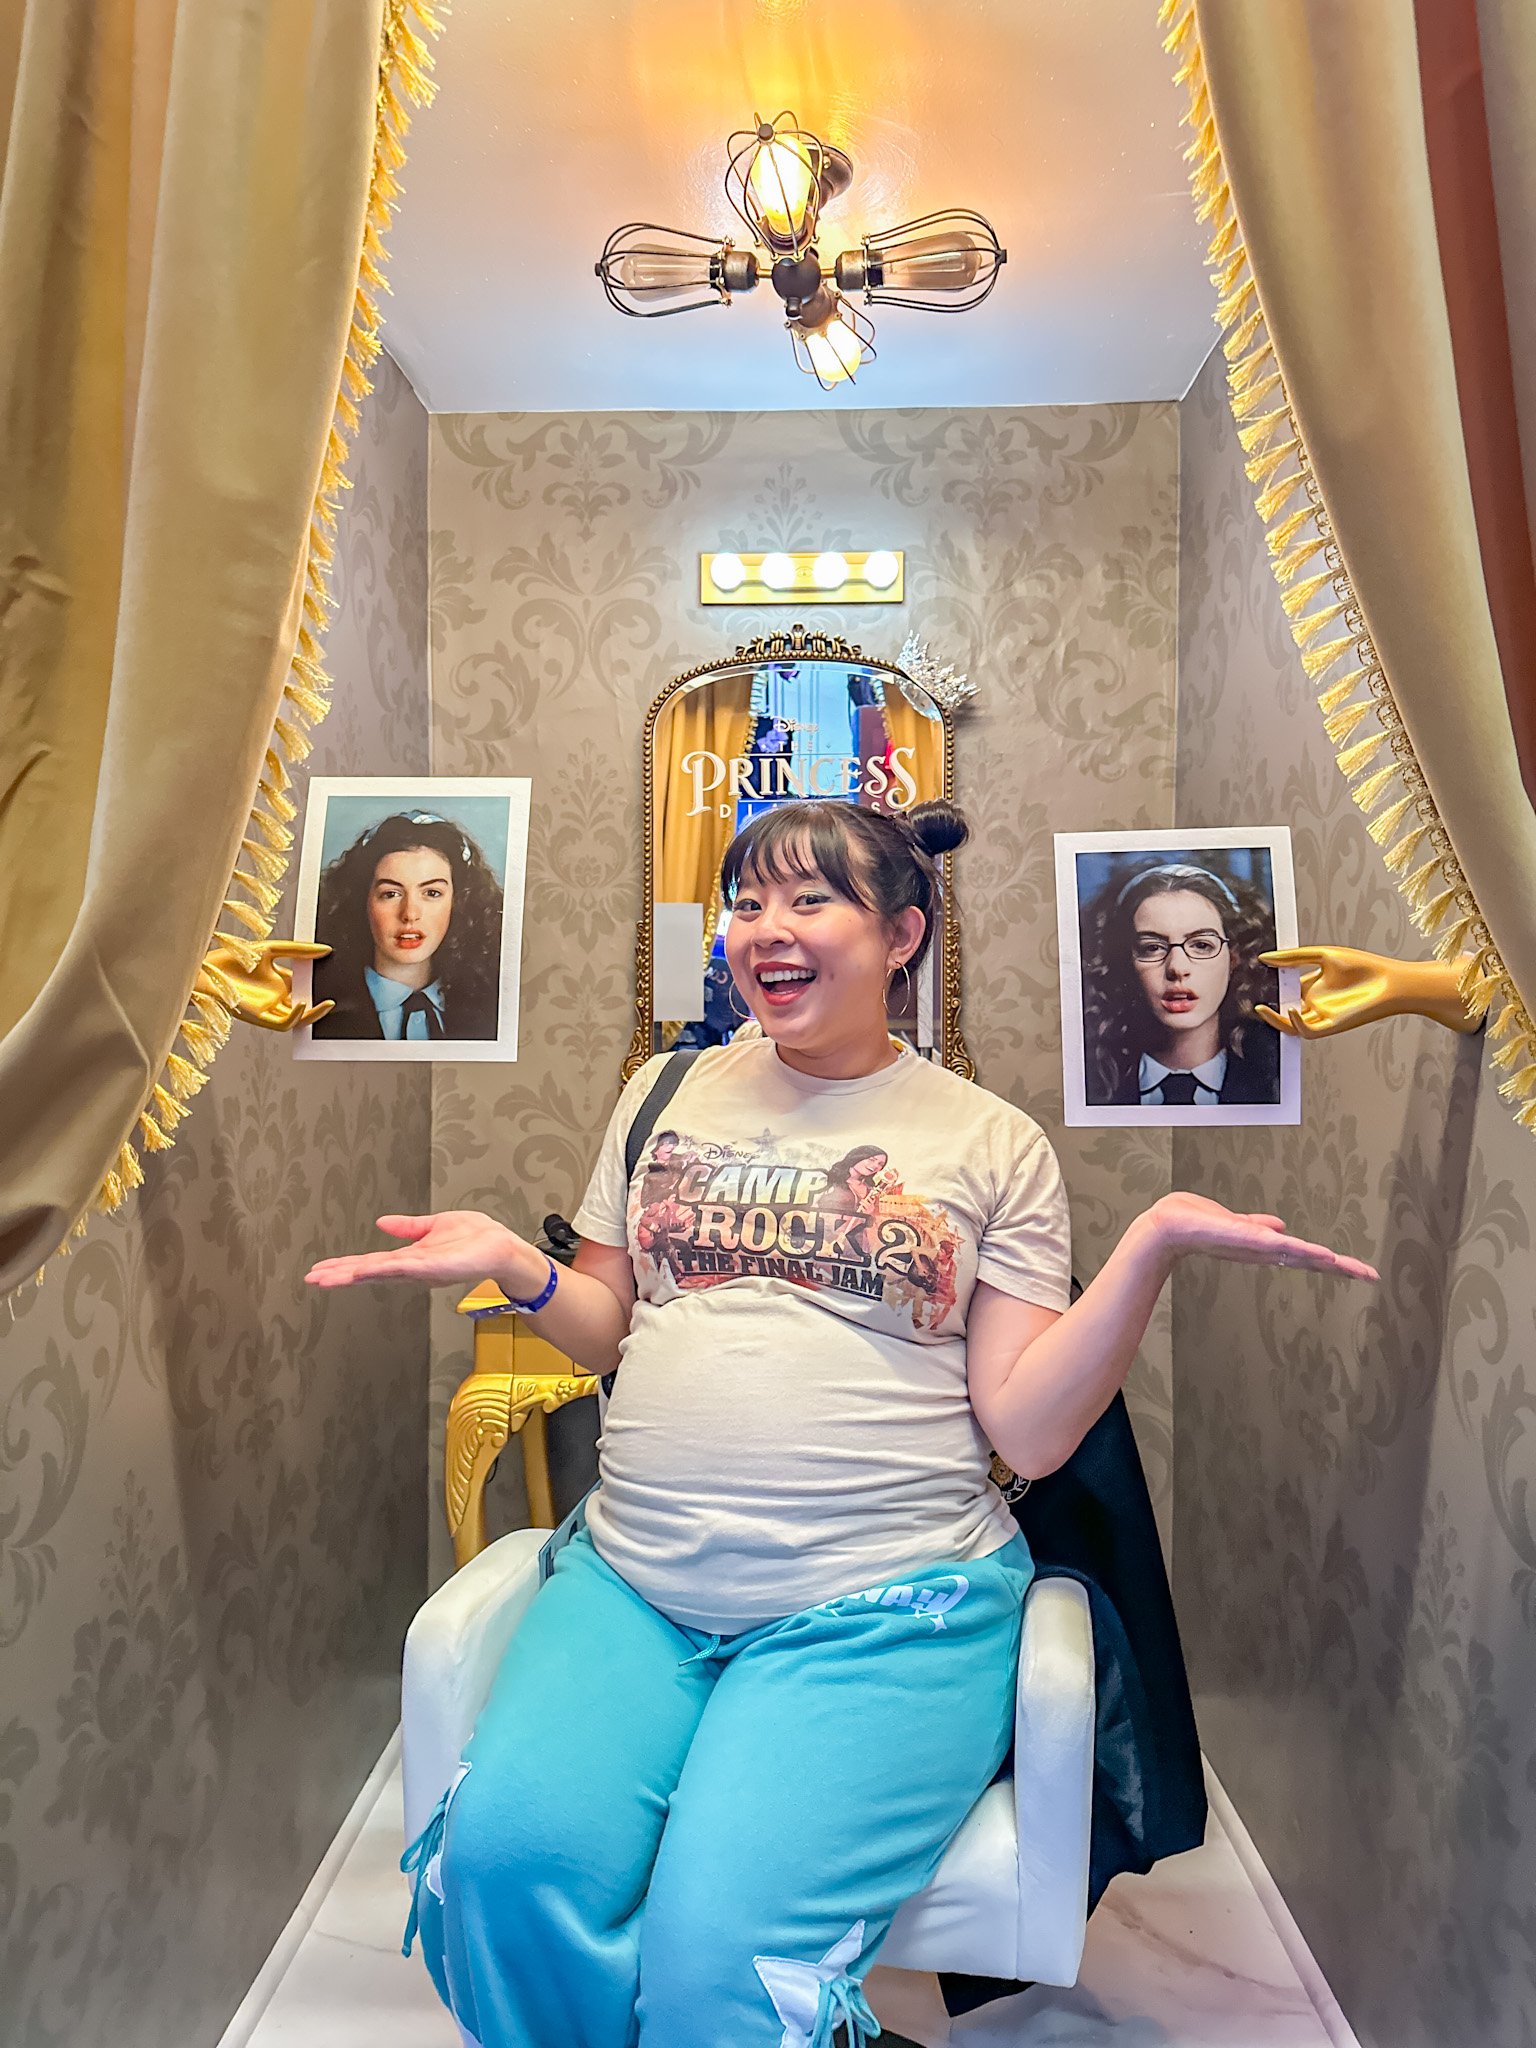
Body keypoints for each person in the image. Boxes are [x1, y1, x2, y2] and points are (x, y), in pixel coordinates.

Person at [305, 799, 1375, 2048]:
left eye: (810, 899)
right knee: (503, 1868)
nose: (768, 927)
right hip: (636, 1588)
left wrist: (1150, 1249)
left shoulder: (990, 1142)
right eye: (748, 901)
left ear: (900, 935)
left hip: (882, 1611)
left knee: (725, 1957)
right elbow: (606, 1327)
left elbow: (1029, 1433)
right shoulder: (661, 1092)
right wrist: (513, 1263)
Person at [1081, 860, 1282, 1107]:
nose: (1177, 968)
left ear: (1234, 958)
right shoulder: (1094, 1082)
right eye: (1152, 948)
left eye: (1202, 945)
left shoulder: (1276, 1079)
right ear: (1126, 962)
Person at [310, 809, 504, 1042]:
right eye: (391, 894)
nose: (410, 914)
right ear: (362, 900)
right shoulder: (317, 1010)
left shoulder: (491, 1010)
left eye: (432, 893)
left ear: (458, 901)